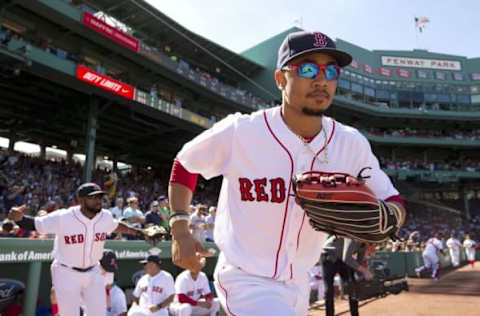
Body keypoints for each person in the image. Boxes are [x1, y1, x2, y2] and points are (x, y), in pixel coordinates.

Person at [168, 30, 406, 316]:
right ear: (280, 79)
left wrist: (387, 221)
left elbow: (391, 198)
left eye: (331, 71)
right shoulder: (242, 131)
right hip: (246, 279)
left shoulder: (350, 143)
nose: (321, 80)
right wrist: (180, 228)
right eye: (307, 69)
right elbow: (185, 163)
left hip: (300, 282)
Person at [8, 182, 144, 316]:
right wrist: (19, 219)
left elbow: (116, 226)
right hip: (66, 272)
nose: (98, 201)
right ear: (81, 200)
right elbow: (36, 224)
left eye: (99, 197)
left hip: (93, 271)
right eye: (93, 197)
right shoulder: (64, 216)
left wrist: (139, 232)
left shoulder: (105, 216)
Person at [321, 236, 373, 316]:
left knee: (352, 286)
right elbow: (347, 259)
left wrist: (362, 276)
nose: (373, 248)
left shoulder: (364, 246)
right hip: (328, 255)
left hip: (342, 258)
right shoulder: (354, 237)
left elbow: (357, 265)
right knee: (329, 290)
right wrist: (364, 271)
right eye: (373, 245)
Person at [100, 250, 127, 316]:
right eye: (106, 271)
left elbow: (123, 314)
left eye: (111, 271)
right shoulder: (87, 286)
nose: (109, 274)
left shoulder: (118, 294)